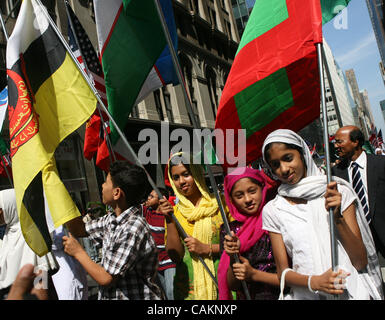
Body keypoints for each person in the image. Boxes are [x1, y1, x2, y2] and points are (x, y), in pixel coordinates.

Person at [261, 129, 383, 300]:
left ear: (303, 154)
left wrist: (338, 219)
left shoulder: (337, 191)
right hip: (306, 295)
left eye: (288, 158)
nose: (284, 169)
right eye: (275, 165)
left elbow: (360, 261)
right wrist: (314, 282)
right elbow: (282, 273)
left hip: (351, 293)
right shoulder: (273, 209)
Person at [63, 161, 162, 300]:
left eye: (106, 182)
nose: (102, 186)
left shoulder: (133, 227)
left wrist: (78, 252)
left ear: (116, 193)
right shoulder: (111, 219)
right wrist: (59, 195)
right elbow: (79, 229)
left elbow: (106, 278)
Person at [159, 152, 229, 300]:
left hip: (223, 282)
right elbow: (176, 256)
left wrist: (207, 249)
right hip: (189, 291)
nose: (181, 181)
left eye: (186, 174)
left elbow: (240, 243)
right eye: (176, 177)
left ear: (196, 173)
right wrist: (169, 219)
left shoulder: (220, 204)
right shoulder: (175, 213)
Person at [218, 167, 280, 300]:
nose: (247, 199)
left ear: (262, 188)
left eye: (252, 191)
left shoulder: (276, 219)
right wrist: (232, 256)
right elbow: (232, 285)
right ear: (231, 200)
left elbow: (289, 276)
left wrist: (253, 274)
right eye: (239, 195)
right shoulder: (229, 231)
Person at [333, 126, 385, 262]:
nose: (336, 146)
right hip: (358, 238)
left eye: (339, 142)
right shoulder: (335, 172)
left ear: (355, 142)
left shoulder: (381, 164)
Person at [0, 189, 57, 300]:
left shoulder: (32, 236)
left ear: (10, 207)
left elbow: (41, 279)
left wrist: (39, 296)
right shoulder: (8, 235)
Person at [143, 187, 176, 300]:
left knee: (172, 292)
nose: (148, 198)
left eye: (152, 196)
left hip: (169, 260)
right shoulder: (147, 212)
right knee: (163, 294)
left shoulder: (170, 215)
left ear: (161, 199)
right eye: (149, 195)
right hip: (156, 262)